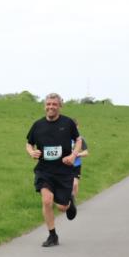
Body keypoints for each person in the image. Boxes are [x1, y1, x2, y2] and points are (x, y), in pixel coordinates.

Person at [25, 93, 81, 248]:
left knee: (62, 207)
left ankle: (69, 203)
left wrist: (73, 155)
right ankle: (52, 235)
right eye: (48, 104)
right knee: (47, 200)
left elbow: (78, 140)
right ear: (45, 106)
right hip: (44, 171)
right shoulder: (38, 125)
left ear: (60, 106)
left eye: (54, 104)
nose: (51, 107)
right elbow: (29, 143)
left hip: (63, 171)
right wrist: (31, 152)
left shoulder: (68, 123)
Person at [70, 118, 90, 200]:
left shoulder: (80, 139)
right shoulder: (63, 138)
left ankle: (73, 201)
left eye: (75, 126)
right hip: (64, 164)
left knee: (75, 184)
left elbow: (86, 152)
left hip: (76, 165)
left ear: (78, 127)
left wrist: (78, 154)